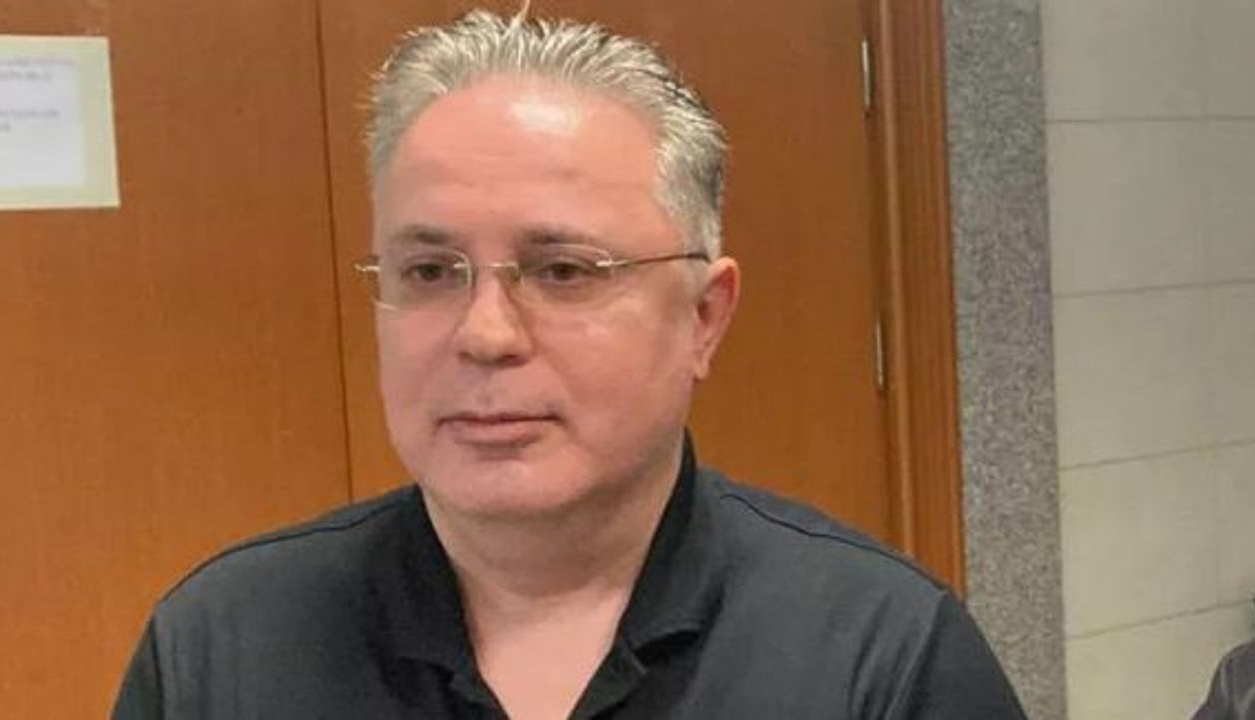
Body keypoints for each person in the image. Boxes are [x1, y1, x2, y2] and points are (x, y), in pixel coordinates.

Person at [113, 8, 1026, 719]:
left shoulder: (882, 655)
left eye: (563, 271)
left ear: (703, 318)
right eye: (430, 271)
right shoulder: (220, 648)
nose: (486, 333)